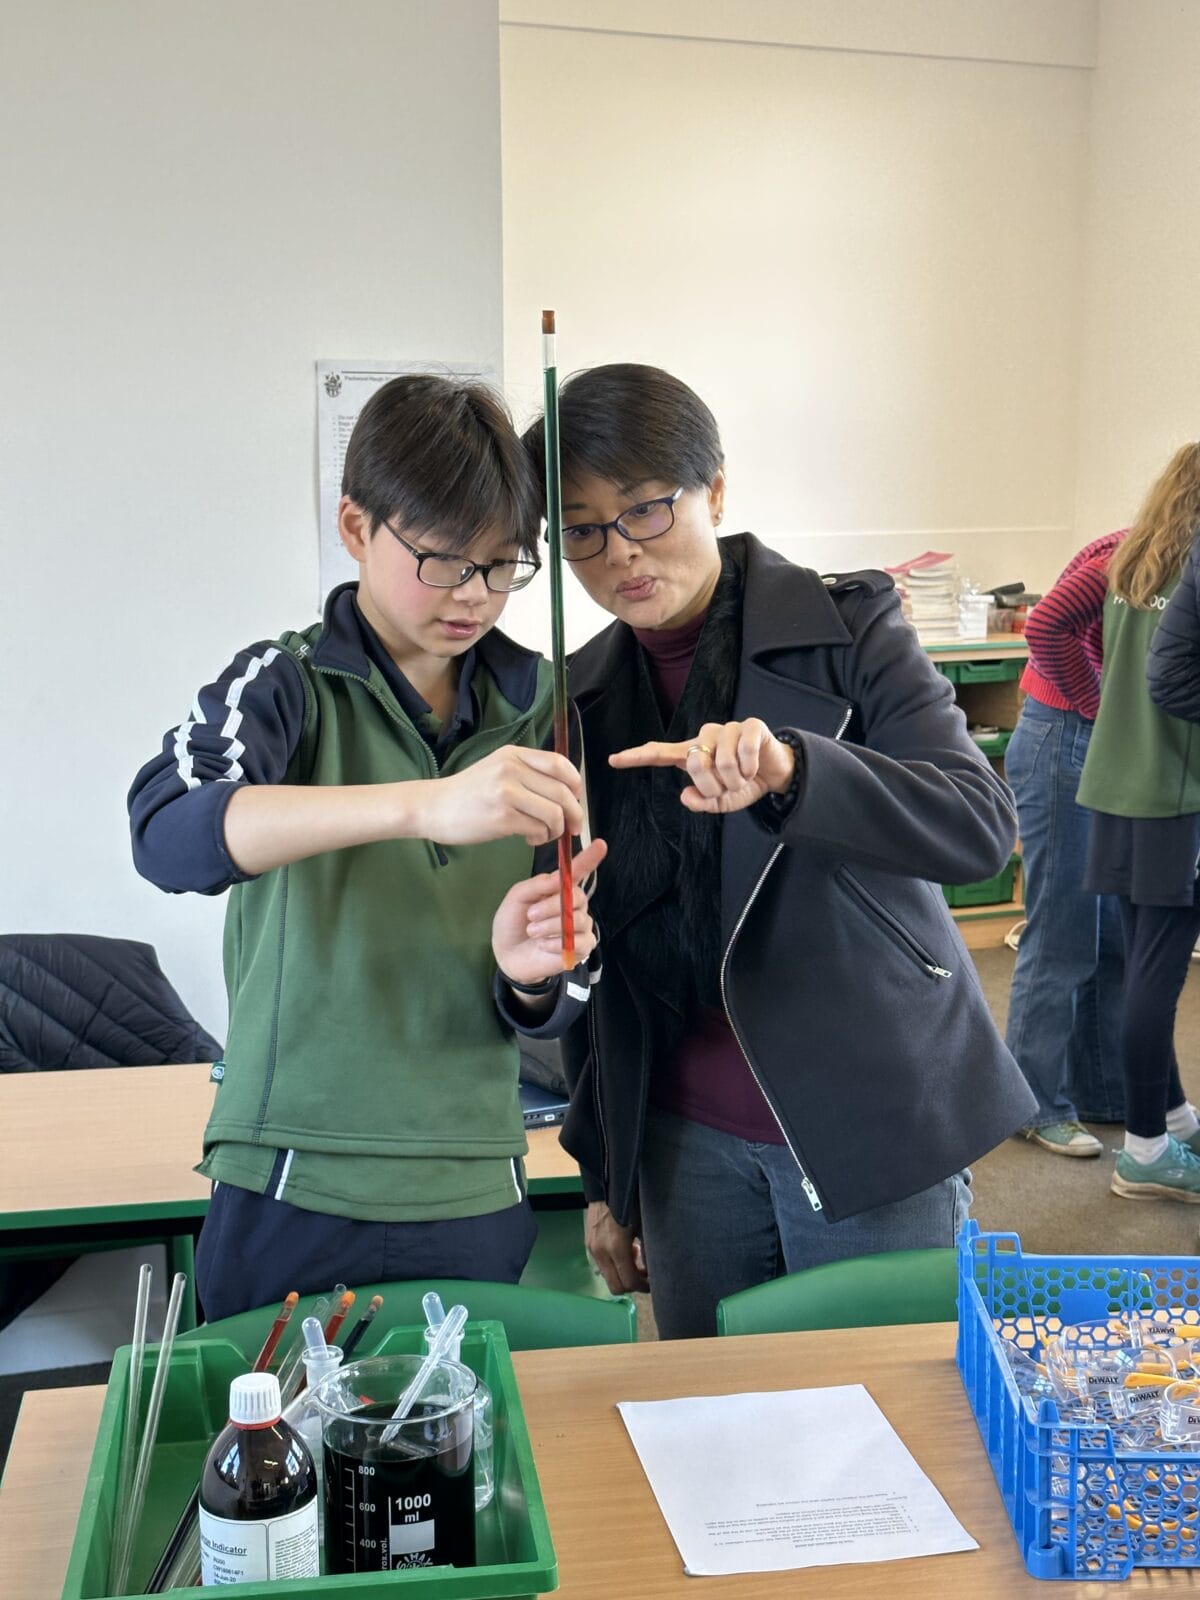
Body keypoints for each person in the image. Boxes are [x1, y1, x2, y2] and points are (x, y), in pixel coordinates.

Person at [522, 363, 1036, 1339]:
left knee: (887, 1422)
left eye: (645, 510)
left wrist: (799, 771)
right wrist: (606, 1174)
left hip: (868, 1116)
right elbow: (591, 957)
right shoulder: (576, 698)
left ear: (712, 489)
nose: (621, 553)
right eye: (582, 530)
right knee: (711, 1436)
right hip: (682, 1149)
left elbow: (978, 823)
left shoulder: (852, 630)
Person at [129, 374, 603, 1321]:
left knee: (466, 1458)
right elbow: (168, 834)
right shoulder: (286, 682)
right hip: (295, 1176)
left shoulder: (547, 707)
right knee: (278, 1460)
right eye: (442, 561)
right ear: (357, 527)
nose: (474, 596)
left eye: (504, 565)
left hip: (474, 1178)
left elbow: (567, 989)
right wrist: (422, 806)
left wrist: (531, 973)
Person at [1076, 442, 1200, 1204]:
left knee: (1142, 967)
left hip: (1115, 785)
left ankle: (1174, 1120)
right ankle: (1146, 1152)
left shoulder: (1133, 564)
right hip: (1172, 796)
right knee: (1156, 975)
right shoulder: (1189, 575)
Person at [1006, 534, 1126, 1157]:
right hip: (1062, 742)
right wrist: (1098, 705)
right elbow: (1046, 623)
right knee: (1062, 934)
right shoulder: (1134, 554)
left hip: (1095, 748)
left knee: (1109, 933)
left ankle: (1102, 1091)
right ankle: (1032, 1102)